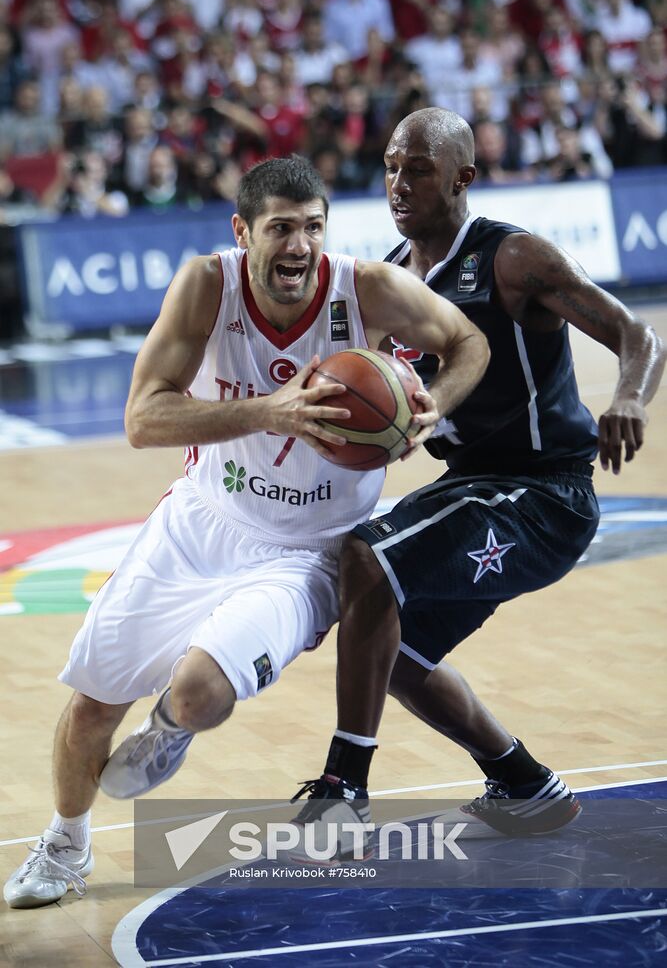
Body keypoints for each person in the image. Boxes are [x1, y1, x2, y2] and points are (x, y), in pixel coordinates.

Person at [4, 155, 489, 908]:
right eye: (280, 230)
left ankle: (170, 730)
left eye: (312, 229)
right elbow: (141, 419)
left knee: (199, 694)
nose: (298, 246)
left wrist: (432, 407)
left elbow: (469, 343)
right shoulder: (207, 284)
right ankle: (65, 845)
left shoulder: (367, 289)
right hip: (203, 520)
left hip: (310, 551)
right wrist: (270, 409)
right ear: (243, 232)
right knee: (93, 705)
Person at [289, 107, 665, 855]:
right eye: (392, 165)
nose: (398, 183)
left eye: (418, 169)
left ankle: (342, 790)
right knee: (388, 652)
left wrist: (627, 396)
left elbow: (636, 333)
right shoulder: (392, 280)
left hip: (544, 493)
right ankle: (523, 784)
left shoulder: (511, 258)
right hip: (474, 487)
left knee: (369, 558)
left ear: (462, 177)